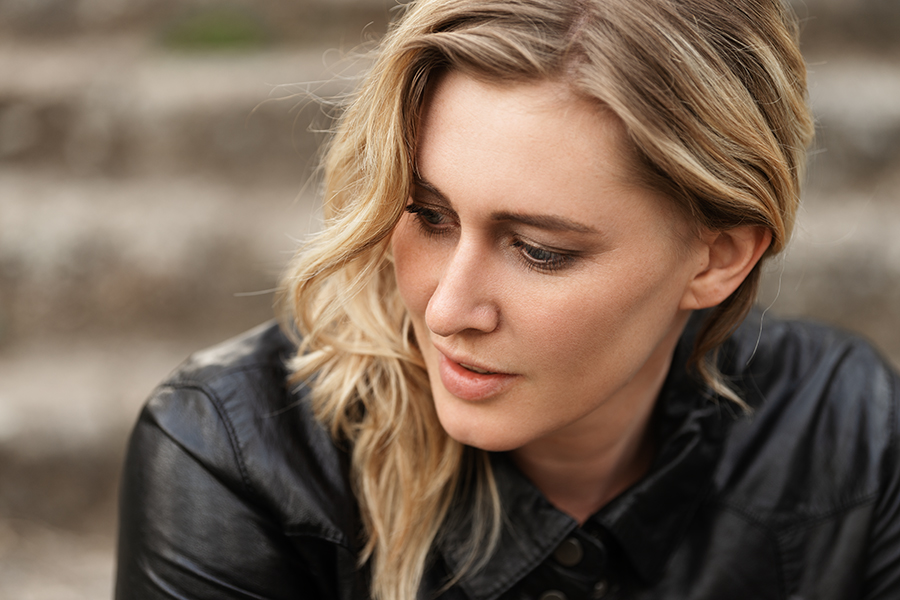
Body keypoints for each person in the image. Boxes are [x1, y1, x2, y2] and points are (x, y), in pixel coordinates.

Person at [115, 0, 900, 598]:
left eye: (539, 250)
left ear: (719, 256)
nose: (447, 310)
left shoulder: (847, 430)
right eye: (428, 215)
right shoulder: (237, 456)